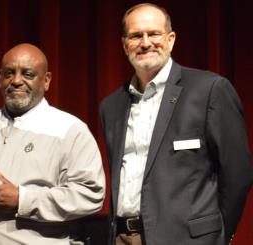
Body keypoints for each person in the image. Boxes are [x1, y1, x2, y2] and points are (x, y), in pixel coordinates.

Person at [99, 3, 253, 245]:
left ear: (171, 40)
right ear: (124, 44)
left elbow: (237, 175)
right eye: (136, 35)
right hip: (123, 237)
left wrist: (219, 236)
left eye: (154, 34)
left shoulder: (209, 90)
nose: (146, 42)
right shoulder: (111, 105)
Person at [0, 43, 105, 244]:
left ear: (46, 80)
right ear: (0, 79)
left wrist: (23, 199)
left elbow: (90, 194)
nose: (16, 81)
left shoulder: (70, 130)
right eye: (9, 73)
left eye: (28, 74)